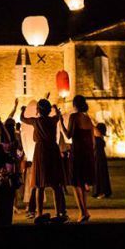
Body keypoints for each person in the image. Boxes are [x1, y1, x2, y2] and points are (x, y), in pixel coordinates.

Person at [20, 99, 68, 224]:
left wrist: (22, 110)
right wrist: (57, 110)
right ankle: (59, 212)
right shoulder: (52, 120)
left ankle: (39, 213)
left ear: (38, 110)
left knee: (40, 184)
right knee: (56, 184)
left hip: (41, 151)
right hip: (52, 149)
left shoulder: (36, 121)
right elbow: (58, 116)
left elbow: (22, 118)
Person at [59, 94, 95, 222]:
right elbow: (93, 140)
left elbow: (68, 135)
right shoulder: (88, 119)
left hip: (78, 153)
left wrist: (61, 122)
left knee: (75, 183)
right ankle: (85, 211)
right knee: (82, 182)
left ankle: (83, 212)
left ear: (75, 105)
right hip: (88, 154)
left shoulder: (74, 117)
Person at [92, 122, 112, 199]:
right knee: (98, 174)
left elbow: (93, 127)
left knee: (100, 174)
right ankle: (99, 191)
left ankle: (102, 192)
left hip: (99, 157)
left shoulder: (98, 137)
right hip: (98, 157)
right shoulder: (98, 137)